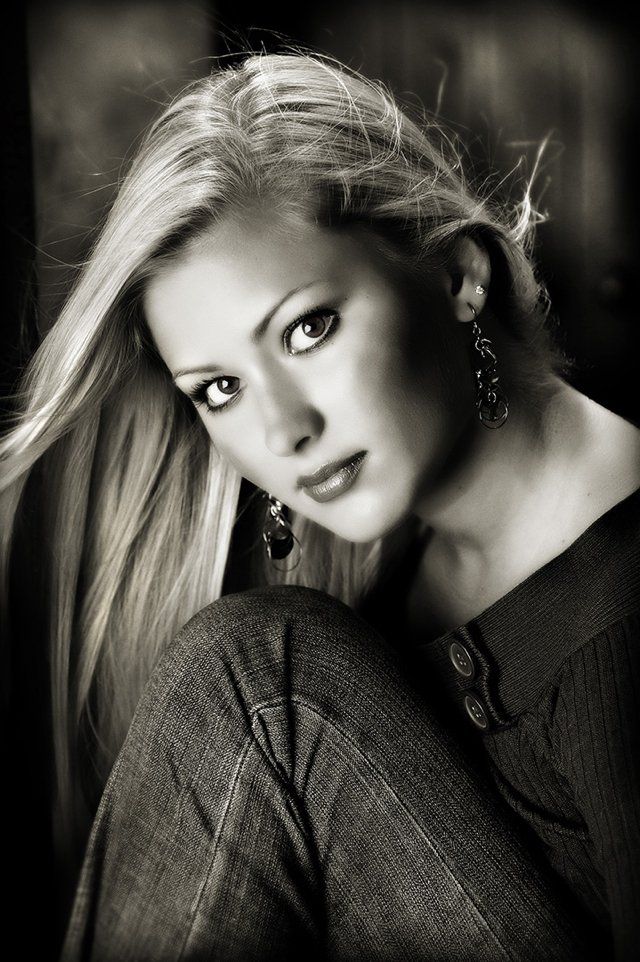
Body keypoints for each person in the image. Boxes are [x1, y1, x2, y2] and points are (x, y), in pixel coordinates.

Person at [1, 48, 639, 961]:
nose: (282, 431)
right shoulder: (394, 566)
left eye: (308, 328)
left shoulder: (619, 613)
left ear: (459, 276)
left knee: (257, 668)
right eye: (217, 389)